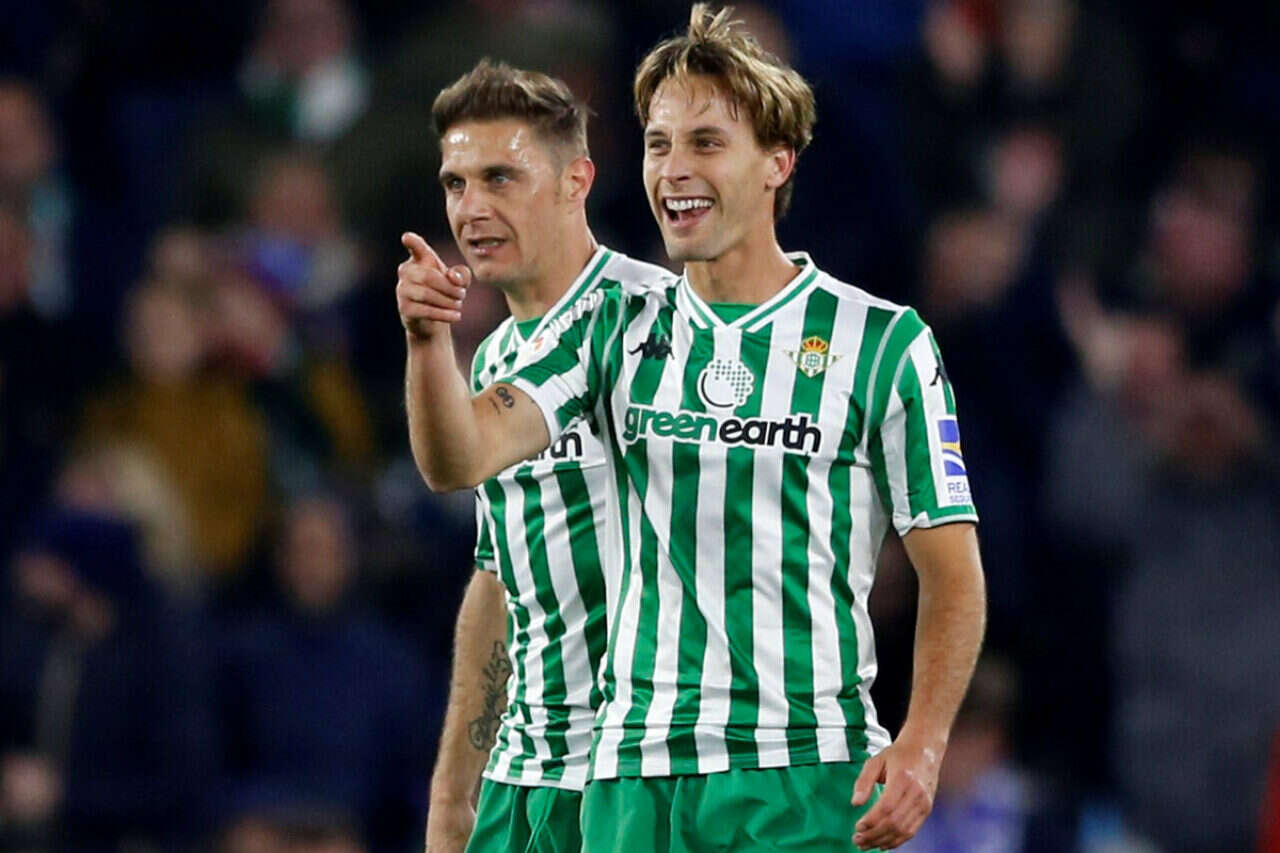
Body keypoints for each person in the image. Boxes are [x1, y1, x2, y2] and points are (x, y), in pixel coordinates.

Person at [397, 7, 987, 851]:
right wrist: (428, 344)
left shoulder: (879, 341)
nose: (674, 169)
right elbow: (463, 459)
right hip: (631, 779)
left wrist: (923, 742)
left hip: (804, 771)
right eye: (659, 144)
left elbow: (952, 570)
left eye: (706, 143)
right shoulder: (611, 328)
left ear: (778, 161)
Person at [405, 61, 671, 853]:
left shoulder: (655, 322)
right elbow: (498, 580)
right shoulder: (495, 358)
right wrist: (453, 794)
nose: (472, 208)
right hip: (527, 775)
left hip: (641, 776)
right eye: (456, 184)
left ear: (575, 181)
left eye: (501, 178)